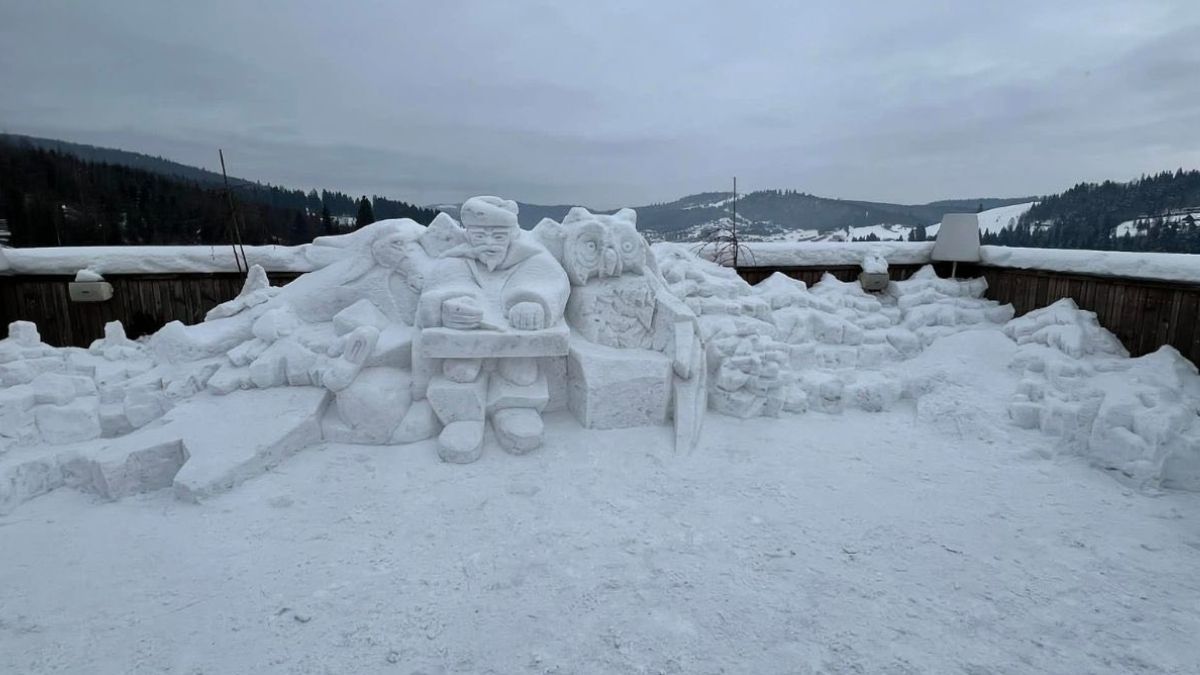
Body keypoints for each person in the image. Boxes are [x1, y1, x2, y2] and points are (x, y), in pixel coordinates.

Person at [413, 196, 570, 463]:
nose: (488, 244)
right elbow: (436, 289)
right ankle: (462, 416)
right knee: (459, 371)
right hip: (466, 348)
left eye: (498, 236)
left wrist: (533, 302)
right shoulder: (456, 260)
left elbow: (553, 283)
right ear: (468, 234)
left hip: (514, 351)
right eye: (479, 235)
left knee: (520, 372)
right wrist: (448, 304)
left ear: (513, 233)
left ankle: (515, 408)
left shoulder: (531, 257)